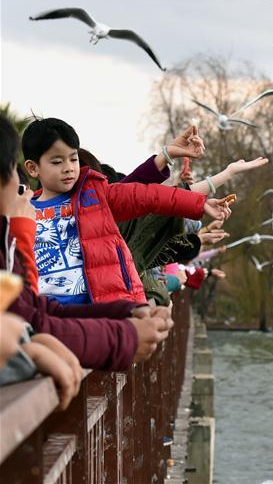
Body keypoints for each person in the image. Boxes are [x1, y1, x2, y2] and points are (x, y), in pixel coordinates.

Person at [1, 114, 170, 370]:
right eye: (12, 170)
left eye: (73, 160)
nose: (19, 183)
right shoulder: (20, 225)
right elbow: (26, 319)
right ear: (32, 168)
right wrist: (126, 336)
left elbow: (32, 312)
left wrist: (124, 312)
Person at [21, 117, 232, 305]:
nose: (68, 167)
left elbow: (145, 195)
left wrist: (197, 202)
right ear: (32, 168)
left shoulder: (94, 197)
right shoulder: (21, 211)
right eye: (57, 162)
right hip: (45, 311)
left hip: (95, 308)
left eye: (73, 159)